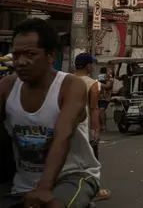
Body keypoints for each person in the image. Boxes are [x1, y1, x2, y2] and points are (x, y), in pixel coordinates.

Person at [0, 18, 100, 208]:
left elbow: (63, 136)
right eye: (16, 54)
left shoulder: (70, 86)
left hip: (72, 176)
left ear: (51, 56)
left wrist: (44, 188)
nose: (20, 62)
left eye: (30, 54)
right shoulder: (7, 86)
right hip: (22, 183)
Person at [73, 54, 110, 203]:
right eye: (92, 65)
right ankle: (94, 191)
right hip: (84, 127)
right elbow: (94, 108)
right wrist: (96, 130)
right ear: (88, 66)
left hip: (67, 126)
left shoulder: (66, 80)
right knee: (91, 159)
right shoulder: (92, 84)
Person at [97, 67, 114, 132]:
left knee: (102, 110)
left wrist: (99, 83)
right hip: (98, 96)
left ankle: (103, 125)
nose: (110, 71)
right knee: (99, 111)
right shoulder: (99, 77)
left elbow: (108, 86)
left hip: (105, 97)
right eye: (109, 70)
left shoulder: (110, 79)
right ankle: (100, 125)